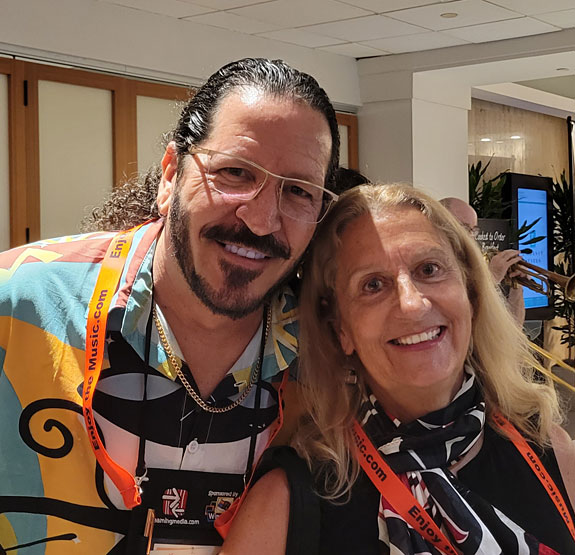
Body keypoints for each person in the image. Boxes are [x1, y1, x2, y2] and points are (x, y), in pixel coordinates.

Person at [0, 57, 340, 553]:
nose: (262, 219)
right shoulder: (18, 302)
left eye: (298, 192)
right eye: (235, 172)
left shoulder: (333, 356)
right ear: (170, 175)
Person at [221, 184, 575, 554]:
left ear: (470, 292)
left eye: (429, 269)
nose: (412, 304)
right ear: (341, 329)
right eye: (373, 285)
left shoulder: (552, 452)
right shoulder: (286, 503)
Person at [440, 196, 526, 324]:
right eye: (464, 228)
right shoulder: (436, 267)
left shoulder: (473, 265)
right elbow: (459, 320)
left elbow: (514, 327)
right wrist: (492, 278)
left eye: (474, 230)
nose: (470, 237)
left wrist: (517, 287)